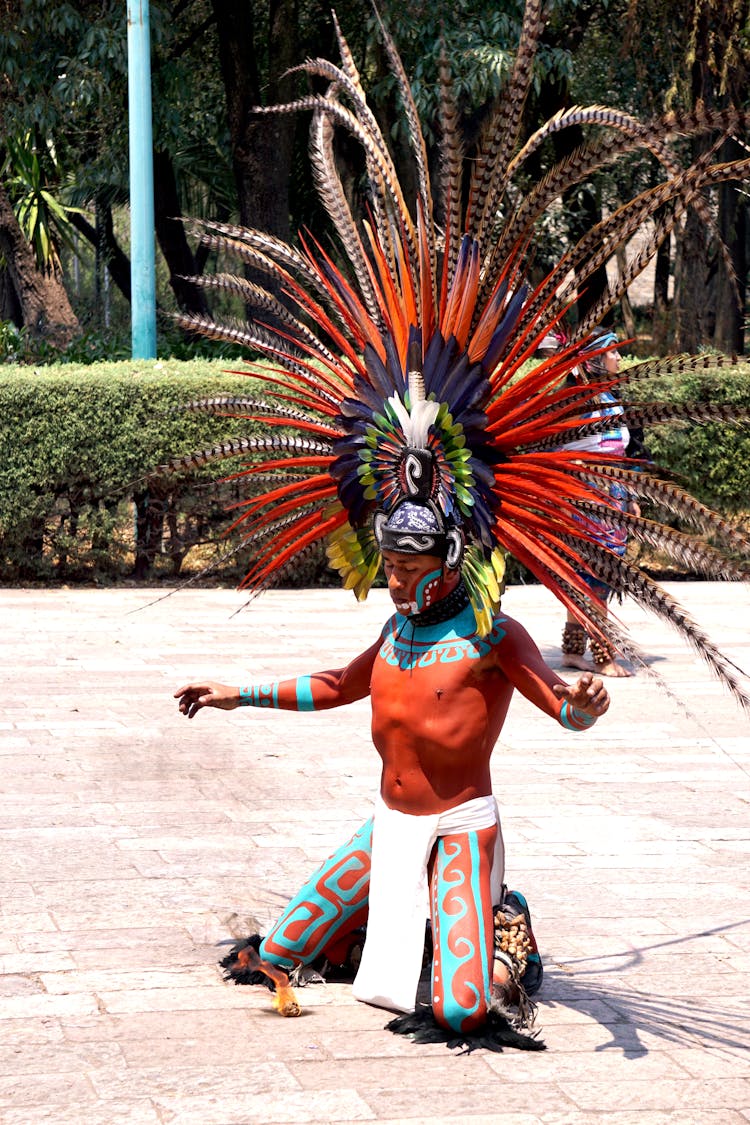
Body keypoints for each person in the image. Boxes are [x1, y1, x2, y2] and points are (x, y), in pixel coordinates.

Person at [175, 499, 610, 1042]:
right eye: (389, 567)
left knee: (461, 1013)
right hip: (389, 828)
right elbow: (337, 685)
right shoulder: (394, 630)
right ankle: (390, 931)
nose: (395, 583)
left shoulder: (495, 634)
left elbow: (564, 708)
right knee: (275, 953)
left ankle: (507, 930)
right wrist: (238, 695)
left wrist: (585, 706)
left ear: (449, 561)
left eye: (408, 570)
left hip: (460, 830)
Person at [551, 332, 642, 677]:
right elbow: (556, 454)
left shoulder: (610, 399)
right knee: (594, 576)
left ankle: (573, 651)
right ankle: (603, 655)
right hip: (584, 502)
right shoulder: (574, 403)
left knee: (595, 575)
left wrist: (629, 496)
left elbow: (621, 455)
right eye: (613, 354)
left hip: (611, 500)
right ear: (594, 360)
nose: (618, 361)